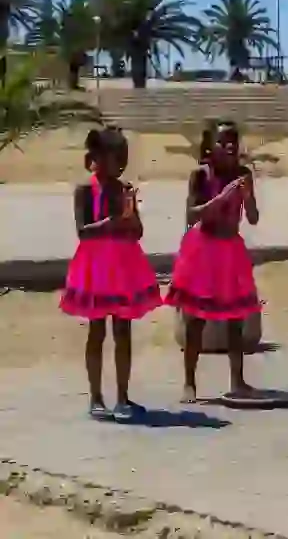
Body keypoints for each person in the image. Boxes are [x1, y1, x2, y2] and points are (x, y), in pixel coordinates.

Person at [60, 127, 162, 422]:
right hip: (95, 268)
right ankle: (95, 397)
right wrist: (113, 221)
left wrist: (129, 217)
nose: (121, 163)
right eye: (116, 156)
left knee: (123, 331)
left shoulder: (124, 189)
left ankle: (122, 397)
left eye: (123, 157)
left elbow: (138, 231)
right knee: (96, 331)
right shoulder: (84, 191)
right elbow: (83, 232)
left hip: (123, 266)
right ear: (98, 158)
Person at [166, 120, 261, 403]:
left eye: (233, 141)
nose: (229, 146)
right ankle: (190, 383)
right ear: (209, 147)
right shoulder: (201, 175)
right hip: (204, 248)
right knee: (196, 319)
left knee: (235, 319)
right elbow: (191, 215)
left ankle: (238, 381)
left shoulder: (244, 174)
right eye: (222, 141)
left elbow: (253, 217)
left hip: (231, 249)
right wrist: (221, 198)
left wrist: (248, 197)